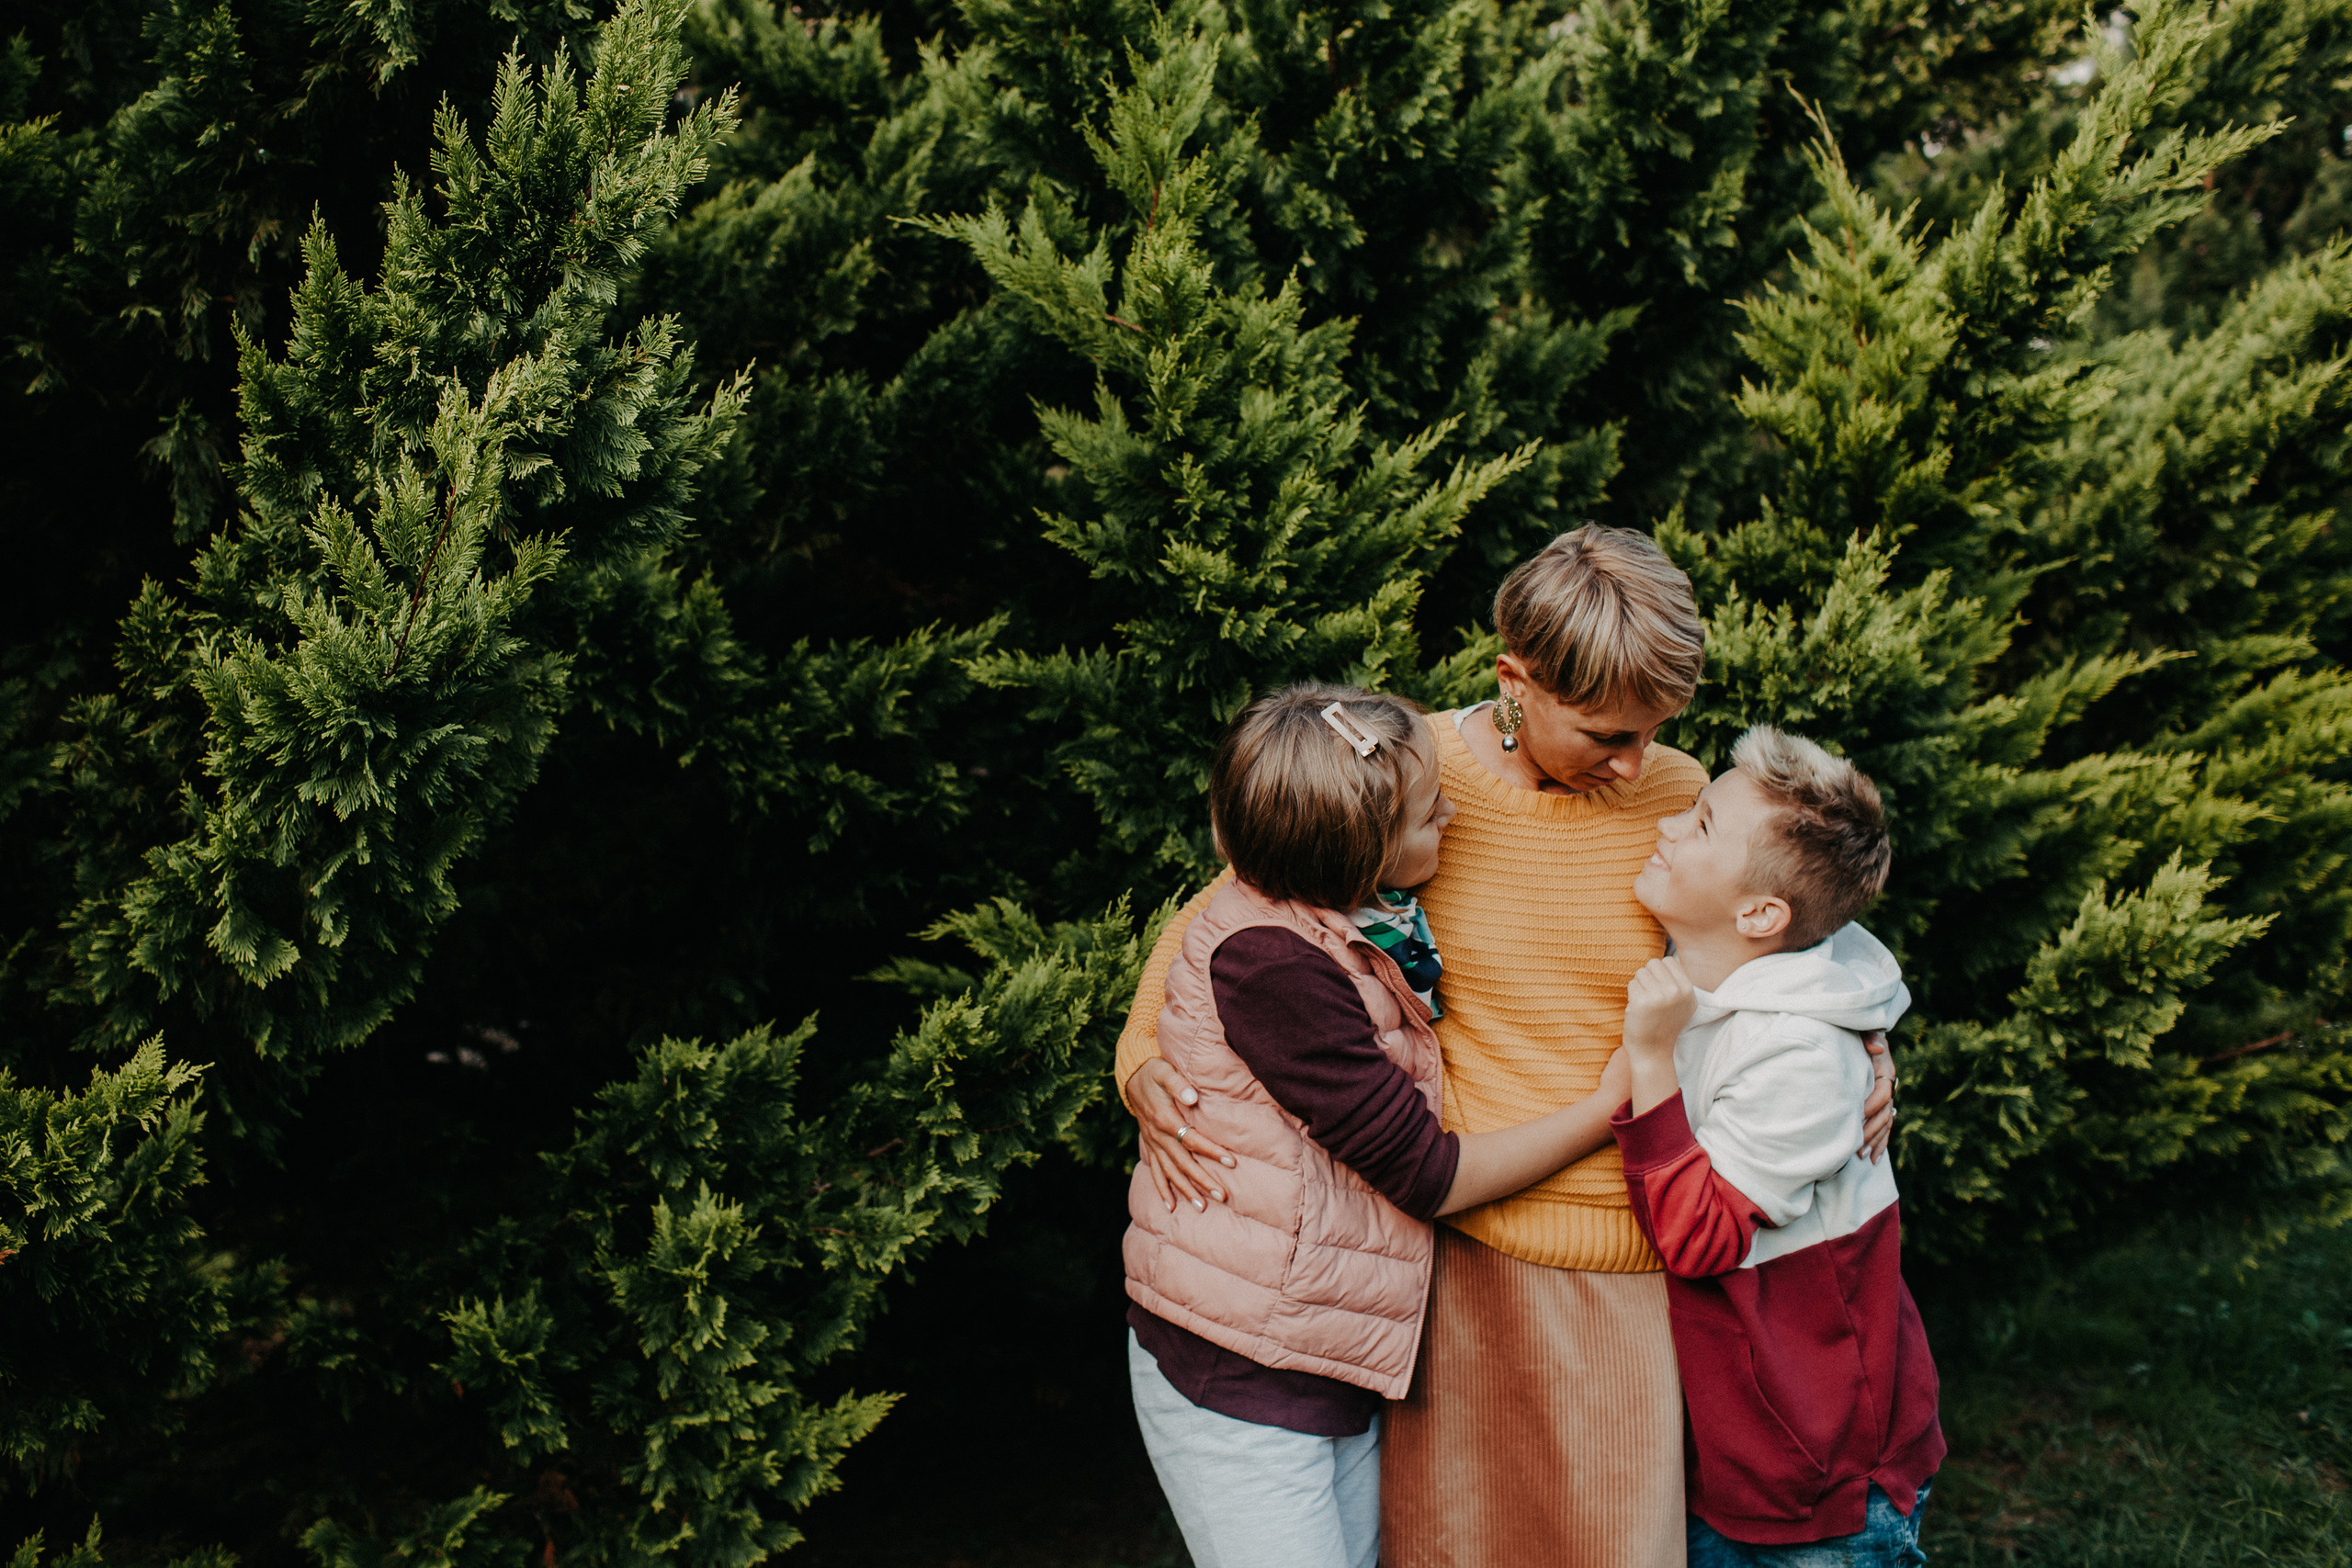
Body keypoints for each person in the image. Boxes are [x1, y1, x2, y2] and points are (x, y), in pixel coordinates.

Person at [1118, 526, 1897, 1566]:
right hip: (1456, 1257)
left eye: (1654, 732)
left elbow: (1803, 933)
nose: (1633, 764)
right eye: (1603, 734)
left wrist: (1870, 1045)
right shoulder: (1409, 782)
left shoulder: (1678, 798)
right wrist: (1142, 1068)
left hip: (1632, 1261)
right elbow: (1227, 917)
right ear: (1515, 681)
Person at [1125, 682, 1642, 1568]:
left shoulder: (1347, 912)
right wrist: (1606, 1107)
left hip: (1321, 1349)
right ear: (1355, 853)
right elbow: (1427, 1174)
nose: (1449, 808)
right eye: (1421, 812)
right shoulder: (1276, 969)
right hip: (1243, 1366)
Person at [1611, 727, 1942, 1565]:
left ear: (1761, 914)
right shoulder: (1715, 964)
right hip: (1736, 1445)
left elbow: (1701, 1237)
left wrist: (1650, 1058)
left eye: (1703, 825)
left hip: (1817, 1475)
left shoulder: (1802, 1052)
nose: (1669, 826)